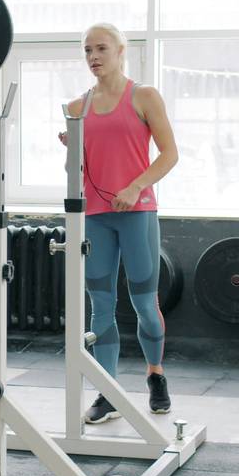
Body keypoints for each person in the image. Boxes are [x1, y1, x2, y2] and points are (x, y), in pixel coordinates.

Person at [60, 22, 179, 424]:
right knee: (101, 307)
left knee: (145, 303)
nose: (93, 57)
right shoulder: (78, 107)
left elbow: (169, 155)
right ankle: (107, 392)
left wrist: (135, 187)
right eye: (87, 50)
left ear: (121, 51)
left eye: (101, 49)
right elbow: (74, 171)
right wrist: (71, 147)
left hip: (137, 211)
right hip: (96, 216)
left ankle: (155, 374)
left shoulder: (143, 96)